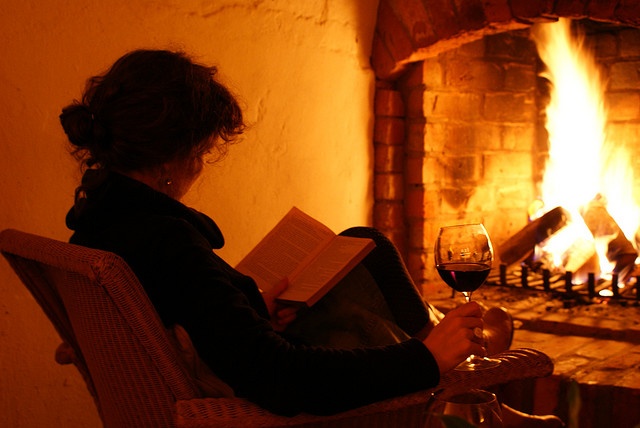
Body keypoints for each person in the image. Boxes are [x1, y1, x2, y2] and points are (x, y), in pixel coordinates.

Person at [60, 49, 562, 426]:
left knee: (362, 243)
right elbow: (282, 377)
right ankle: (453, 375)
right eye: (204, 145)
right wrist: (424, 360)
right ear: (174, 154)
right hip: (270, 401)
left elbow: (197, 317)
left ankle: (443, 345)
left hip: (228, 365)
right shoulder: (168, 241)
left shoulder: (99, 222)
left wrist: (249, 304)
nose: (204, 159)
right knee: (366, 298)